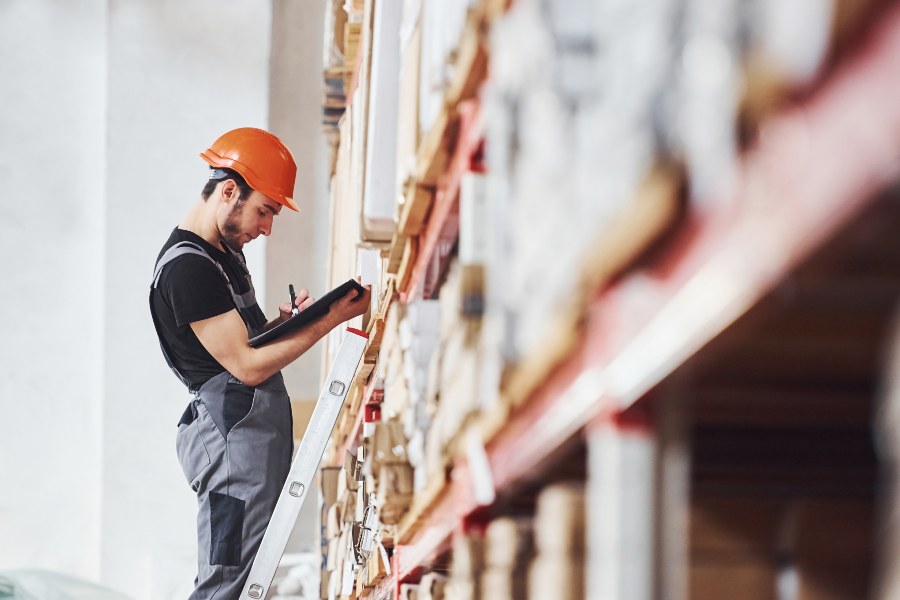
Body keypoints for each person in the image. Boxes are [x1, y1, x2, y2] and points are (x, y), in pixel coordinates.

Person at [149, 127, 369, 599]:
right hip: (230, 444)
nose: (267, 227)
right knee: (225, 583)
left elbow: (242, 343)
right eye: (265, 210)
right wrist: (331, 318)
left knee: (244, 580)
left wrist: (287, 321)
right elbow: (246, 367)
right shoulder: (188, 267)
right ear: (229, 191)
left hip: (247, 437)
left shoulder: (225, 253)